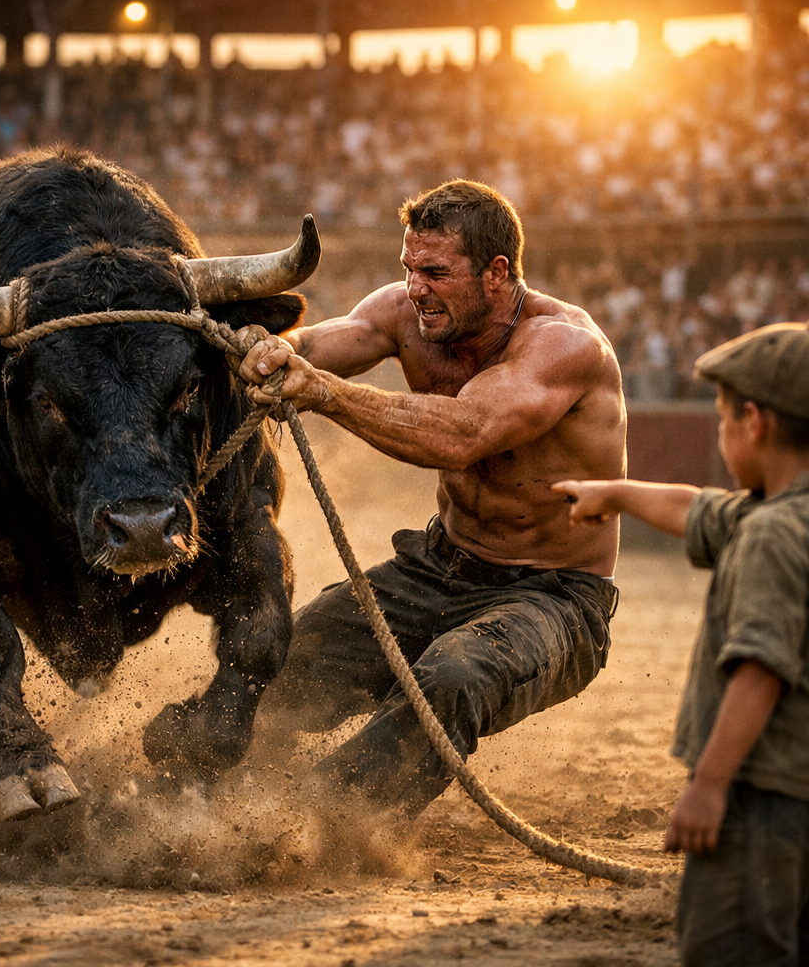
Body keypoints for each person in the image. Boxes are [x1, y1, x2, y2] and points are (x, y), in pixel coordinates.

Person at [238, 179, 626, 816]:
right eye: (409, 268)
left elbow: (463, 434)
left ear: (496, 273)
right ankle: (217, 798)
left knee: (451, 676)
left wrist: (321, 393)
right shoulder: (405, 313)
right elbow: (314, 345)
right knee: (282, 660)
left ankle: (320, 822)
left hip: (554, 598)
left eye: (437, 272)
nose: (416, 288)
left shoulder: (564, 347)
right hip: (436, 567)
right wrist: (271, 351)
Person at [553, 323, 809, 966]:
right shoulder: (783, 516)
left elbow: (760, 670)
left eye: (721, 421)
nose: (722, 439)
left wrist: (710, 785)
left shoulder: (772, 536)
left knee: (733, 945)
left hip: (759, 796)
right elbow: (698, 508)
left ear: (754, 422)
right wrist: (615, 495)